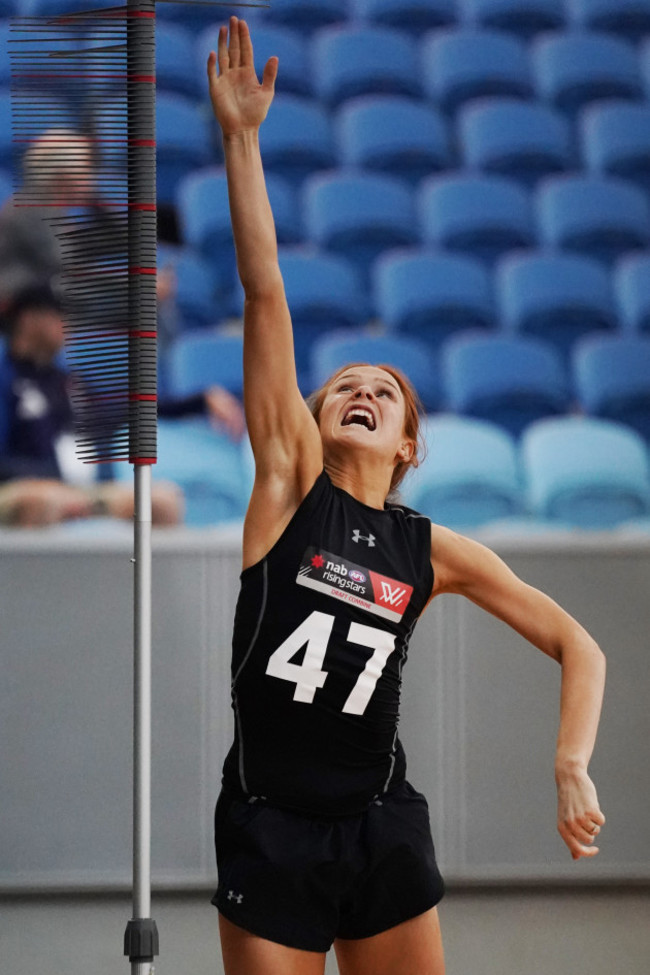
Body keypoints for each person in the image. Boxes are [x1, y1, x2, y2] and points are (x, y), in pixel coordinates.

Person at [206, 19, 606, 975]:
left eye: (385, 391)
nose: (362, 391)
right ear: (309, 417)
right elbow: (267, 296)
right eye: (344, 383)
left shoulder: (429, 550)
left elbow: (576, 642)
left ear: (410, 441)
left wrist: (568, 760)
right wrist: (242, 140)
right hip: (271, 826)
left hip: (381, 824)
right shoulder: (286, 486)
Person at [0, 286, 242, 527]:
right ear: (29, 318)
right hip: (22, 489)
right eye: (58, 315)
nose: (67, 324)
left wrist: (200, 401)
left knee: (161, 501)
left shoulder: (65, 382)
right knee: (41, 501)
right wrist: (50, 478)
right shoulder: (5, 378)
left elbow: (128, 409)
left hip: (83, 490)